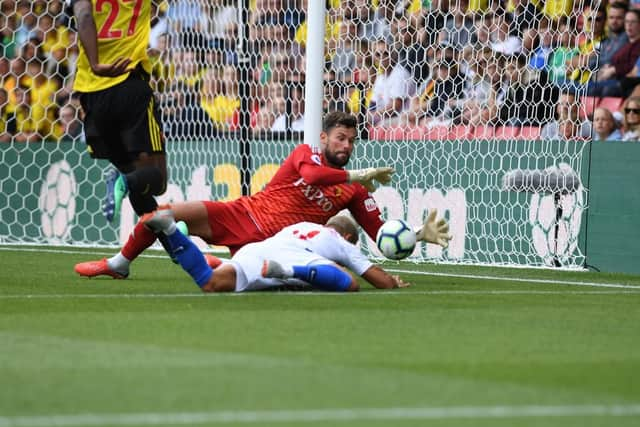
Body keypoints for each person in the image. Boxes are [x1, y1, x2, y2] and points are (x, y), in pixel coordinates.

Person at [75, 111, 451, 279]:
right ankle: (119, 263)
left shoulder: (355, 190)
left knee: (222, 281)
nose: (347, 145)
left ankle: (203, 257)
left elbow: (380, 233)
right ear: (324, 138)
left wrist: (416, 234)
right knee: (162, 214)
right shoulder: (308, 154)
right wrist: (356, 174)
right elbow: (312, 175)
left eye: (352, 141)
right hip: (244, 213)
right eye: (341, 138)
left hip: (274, 244)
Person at [66, 0, 168, 223]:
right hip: (130, 84)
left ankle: (177, 244)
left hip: (92, 95)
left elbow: (83, 16)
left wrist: (95, 63)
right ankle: (123, 178)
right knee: (157, 181)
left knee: (140, 186)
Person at [143, 211, 410, 292]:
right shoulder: (342, 242)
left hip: (258, 250)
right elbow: (380, 281)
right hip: (290, 259)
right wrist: (393, 282)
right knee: (350, 283)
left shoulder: (302, 226)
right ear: (349, 236)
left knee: (214, 281)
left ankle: (172, 233)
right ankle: (290, 273)